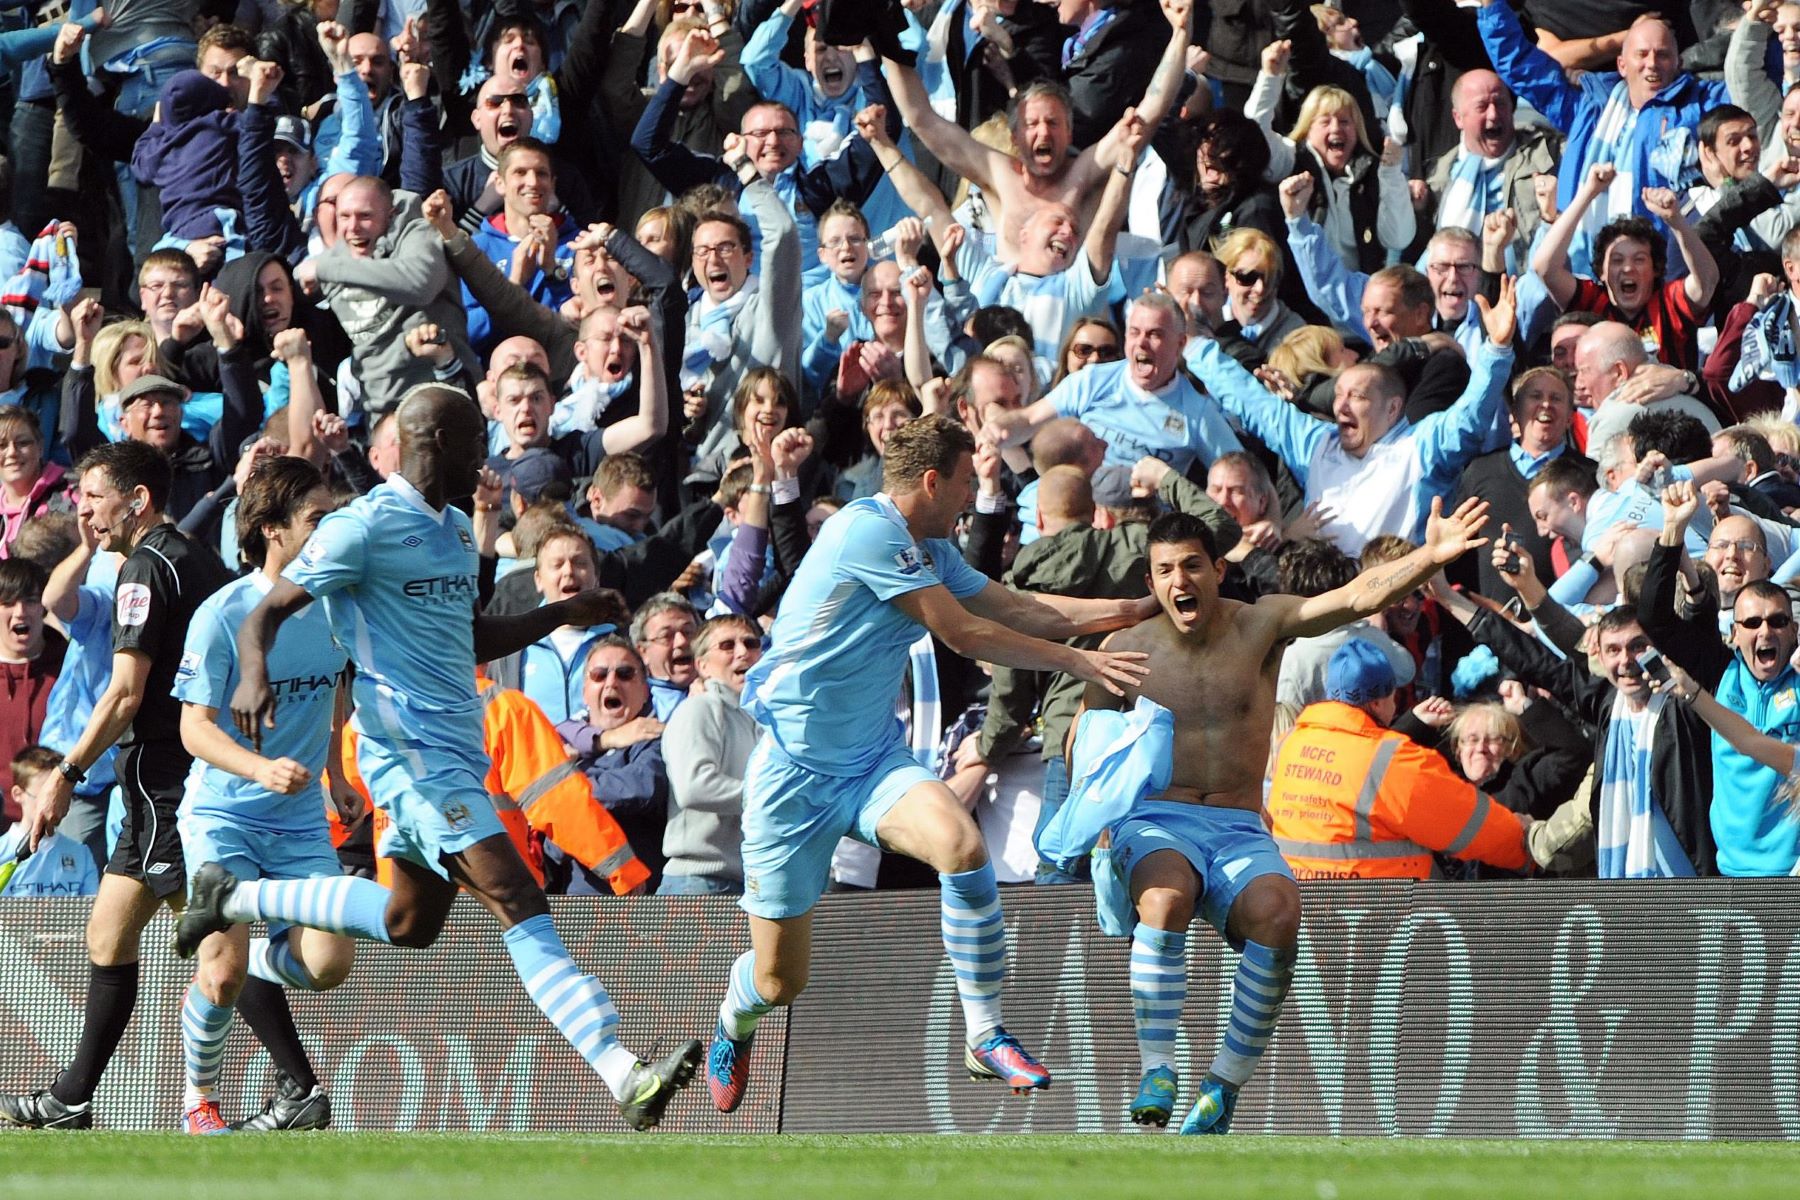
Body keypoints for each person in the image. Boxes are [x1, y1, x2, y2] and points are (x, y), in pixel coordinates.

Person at [173, 386, 702, 1131]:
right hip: (410, 756)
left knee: (407, 924)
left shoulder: (455, 529)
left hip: (458, 754)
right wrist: (255, 675)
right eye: (474, 440)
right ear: (434, 444)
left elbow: (469, 638)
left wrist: (559, 614)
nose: (486, 456)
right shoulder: (363, 527)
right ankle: (623, 1072)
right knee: (519, 898)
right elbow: (265, 609)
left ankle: (235, 899)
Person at [703, 413, 1155, 1116]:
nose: (976, 500)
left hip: (873, 762)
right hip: (792, 779)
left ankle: (982, 1033)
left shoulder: (932, 549)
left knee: (960, 843)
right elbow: (966, 631)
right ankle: (733, 1024)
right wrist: (1079, 659)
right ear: (933, 481)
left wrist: (1126, 608)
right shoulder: (868, 531)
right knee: (778, 980)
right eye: (968, 484)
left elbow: (1016, 604)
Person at [1063, 495, 1492, 1133]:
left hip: (1237, 823)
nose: (1180, 582)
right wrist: (1095, 819)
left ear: (1217, 570)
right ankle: (1158, 1067)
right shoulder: (1127, 646)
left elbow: (1354, 598)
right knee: (1168, 892)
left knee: (1279, 912)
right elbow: (1080, 735)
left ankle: (1222, 1086)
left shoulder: (1260, 625)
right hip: (1158, 818)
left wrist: (1430, 555)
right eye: (1165, 572)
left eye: (1192, 566)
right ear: (1151, 581)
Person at [2, 441, 239, 1131]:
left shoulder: (144, 566)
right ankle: (72, 1098)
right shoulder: (197, 559)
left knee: (215, 948)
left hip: (170, 782)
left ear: (137, 501)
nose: (85, 508)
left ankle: (295, 1085)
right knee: (106, 938)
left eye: (96, 495)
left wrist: (62, 778)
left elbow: (125, 694)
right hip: (155, 787)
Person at [170, 457, 355, 1135]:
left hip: (301, 818)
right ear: (272, 529)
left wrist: (334, 773)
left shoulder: (338, 603)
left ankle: (232, 915)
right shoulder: (223, 614)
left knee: (328, 964)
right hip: (224, 816)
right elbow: (194, 729)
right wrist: (259, 769)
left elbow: (336, 686)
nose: (332, 528)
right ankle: (200, 1101)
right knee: (220, 973)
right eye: (318, 518)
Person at [1266, 638, 1531, 881]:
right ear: (1380, 703)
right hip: (1380, 914)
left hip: (1302, 909)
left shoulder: (1293, 742)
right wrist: (1527, 845)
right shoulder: (1392, 760)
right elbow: (1470, 825)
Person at [660, 614, 764, 895]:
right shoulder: (698, 710)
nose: (743, 652)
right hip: (696, 882)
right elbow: (693, 788)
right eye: (727, 645)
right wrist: (773, 797)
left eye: (751, 643)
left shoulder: (767, 721)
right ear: (702, 665)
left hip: (750, 885)